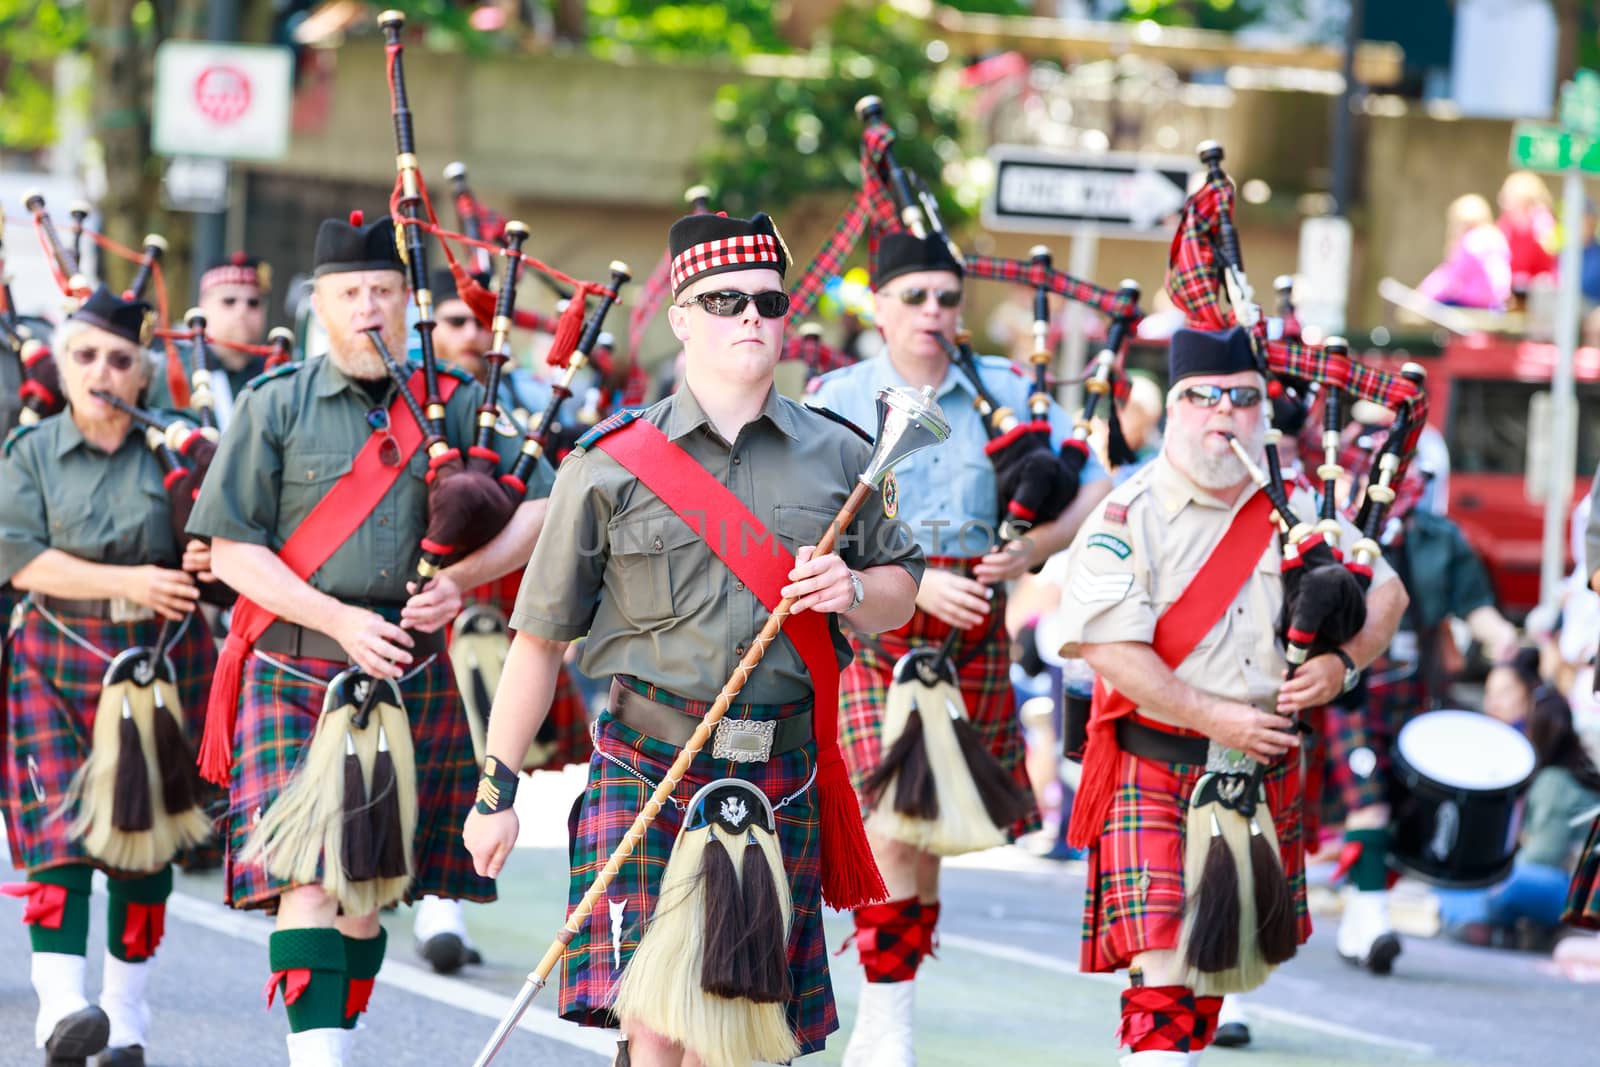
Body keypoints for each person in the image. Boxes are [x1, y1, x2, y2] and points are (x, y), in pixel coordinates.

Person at [463, 210, 923, 1067]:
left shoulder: (844, 456)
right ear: (680, 317)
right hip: (650, 763)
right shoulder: (605, 462)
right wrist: (497, 792)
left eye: (767, 299)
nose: (750, 315)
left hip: (782, 769)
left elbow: (900, 590)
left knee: (746, 1039)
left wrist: (854, 588)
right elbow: (538, 639)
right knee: (662, 1030)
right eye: (723, 300)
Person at [185, 212, 552, 1066]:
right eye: (350, 293)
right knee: (311, 878)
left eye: (384, 291)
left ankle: (333, 1039)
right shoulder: (274, 403)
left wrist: (459, 580)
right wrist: (337, 618)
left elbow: (544, 506)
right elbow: (233, 549)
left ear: (403, 300)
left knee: (366, 891)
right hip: (296, 663)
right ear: (319, 303)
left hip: (408, 674)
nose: (368, 309)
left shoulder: (460, 402)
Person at [1055, 324, 1407, 1065]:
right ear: (1176, 407)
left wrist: (1343, 664)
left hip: (1254, 775)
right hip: (1153, 763)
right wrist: (1215, 715)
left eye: (1242, 398)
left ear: (1262, 416)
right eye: (1202, 396)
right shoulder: (1128, 513)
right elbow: (1108, 647)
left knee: (1204, 986)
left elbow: (1389, 594)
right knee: (1166, 972)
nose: (1223, 412)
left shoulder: (1300, 507)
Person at [807, 231, 1111, 1064]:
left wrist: (1035, 543)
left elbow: (1097, 483)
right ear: (880, 306)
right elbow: (807, 516)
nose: (934, 313)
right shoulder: (835, 397)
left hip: (972, 635)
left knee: (929, 835)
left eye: (948, 298)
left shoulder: (1006, 391)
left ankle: (892, 991)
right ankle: (885, 1017)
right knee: (893, 828)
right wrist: (906, 580)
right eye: (915, 297)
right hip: (875, 629)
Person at [0, 286, 219, 1067]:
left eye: (120, 359)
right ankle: (61, 1009)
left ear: (142, 376)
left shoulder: (175, 455)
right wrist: (128, 582)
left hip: (158, 669)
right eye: (85, 355)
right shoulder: (28, 453)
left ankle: (126, 1016)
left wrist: (204, 554)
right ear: (61, 367)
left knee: (141, 844)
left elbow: (220, 554)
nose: (102, 370)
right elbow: (16, 554)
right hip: (54, 663)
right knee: (55, 836)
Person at [412, 266, 591, 975]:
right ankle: (433, 896)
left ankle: (444, 900)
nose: (464, 336)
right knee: (431, 749)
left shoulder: (528, 405)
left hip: (504, 600)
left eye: (477, 324)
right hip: (421, 602)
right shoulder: (414, 401)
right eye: (451, 322)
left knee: (484, 750)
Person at [1322, 424, 1518, 976]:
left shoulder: (1441, 538)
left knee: (1403, 809)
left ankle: (1363, 921)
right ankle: (1372, 918)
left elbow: (1476, 608)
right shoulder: (1333, 531)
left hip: (1413, 686)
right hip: (1347, 683)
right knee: (1368, 799)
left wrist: (1506, 644)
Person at [1440, 689, 1600, 948]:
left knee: (1467, 877)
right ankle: (1500, 927)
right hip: (1576, 888)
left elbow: (1545, 855)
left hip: (1570, 887)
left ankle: (1479, 923)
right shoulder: (1570, 773)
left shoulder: (1554, 782)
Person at [147, 251, 274, 428]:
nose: (242, 311)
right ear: (203, 306)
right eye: (229, 301)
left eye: (253, 303)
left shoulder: (275, 373)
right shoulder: (173, 372)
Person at [1417, 194, 1512, 311]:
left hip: (1476, 305)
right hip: (1496, 305)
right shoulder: (1497, 238)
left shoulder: (1473, 241)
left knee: (1435, 309)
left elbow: (1451, 278)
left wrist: (1422, 297)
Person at [1497, 170, 1559, 299]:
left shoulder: (1542, 222)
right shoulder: (1505, 224)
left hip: (1538, 291)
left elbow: (1552, 261)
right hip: (1511, 289)